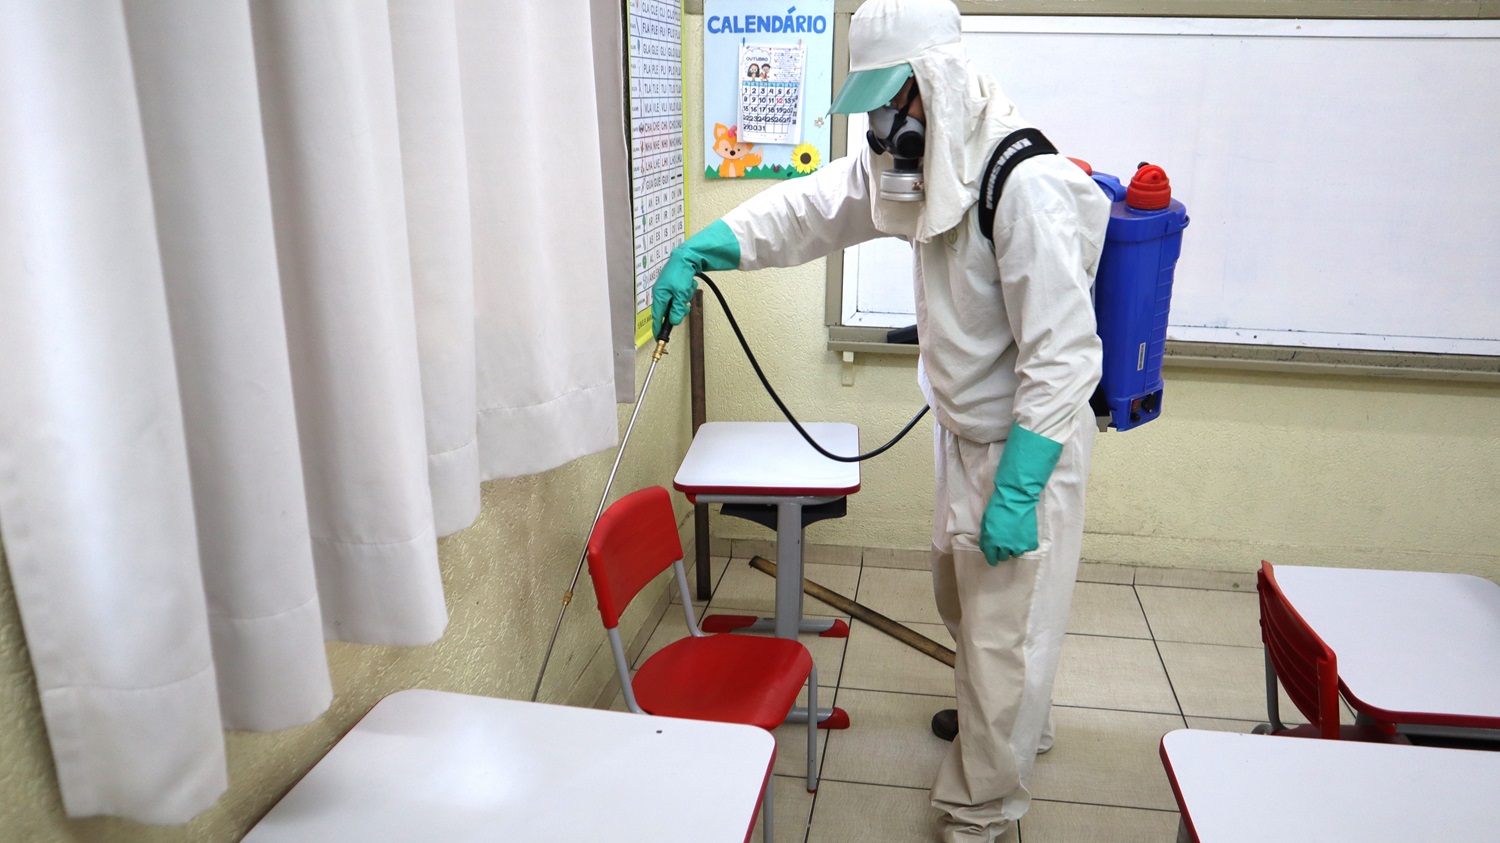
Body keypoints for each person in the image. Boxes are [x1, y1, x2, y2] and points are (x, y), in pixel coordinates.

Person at [651, 1, 1107, 840]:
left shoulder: (1023, 183)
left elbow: (1066, 358)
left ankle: (982, 810)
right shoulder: (917, 158)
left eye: (887, 100)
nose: (876, 126)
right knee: (969, 606)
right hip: (964, 435)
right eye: (869, 105)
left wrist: (1018, 487)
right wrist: (704, 246)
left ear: (936, 83)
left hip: (1026, 449)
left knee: (1008, 632)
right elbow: (808, 208)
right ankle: (1004, 724)